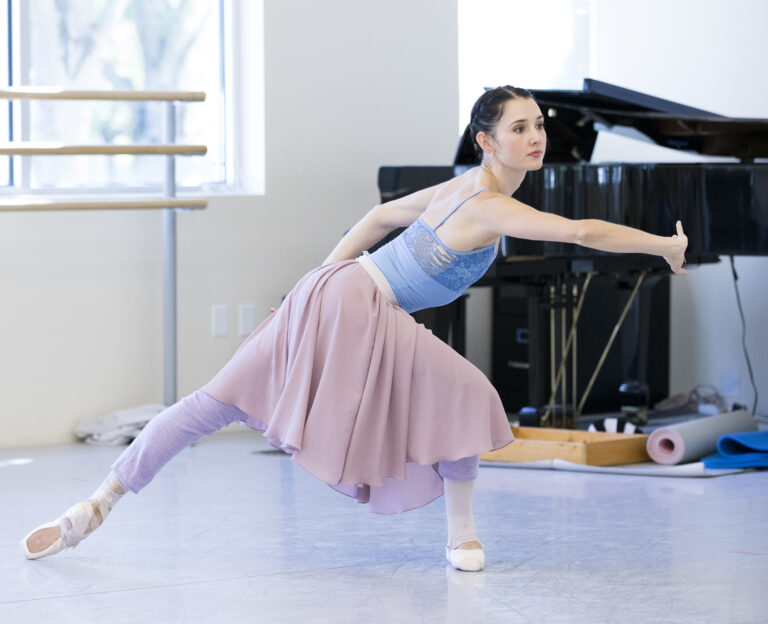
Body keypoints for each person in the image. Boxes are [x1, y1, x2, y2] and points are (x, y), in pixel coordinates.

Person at [21, 85, 687, 572]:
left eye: (538, 125)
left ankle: (93, 507)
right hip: (354, 302)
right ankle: (461, 536)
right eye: (519, 128)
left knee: (212, 404)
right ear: (486, 141)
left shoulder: (459, 187)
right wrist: (663, 245)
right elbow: (579, 231)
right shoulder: (486, 205)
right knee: (469, 395)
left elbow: (373, 220)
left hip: (338, 291)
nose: (535, 137)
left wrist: (318, 282)